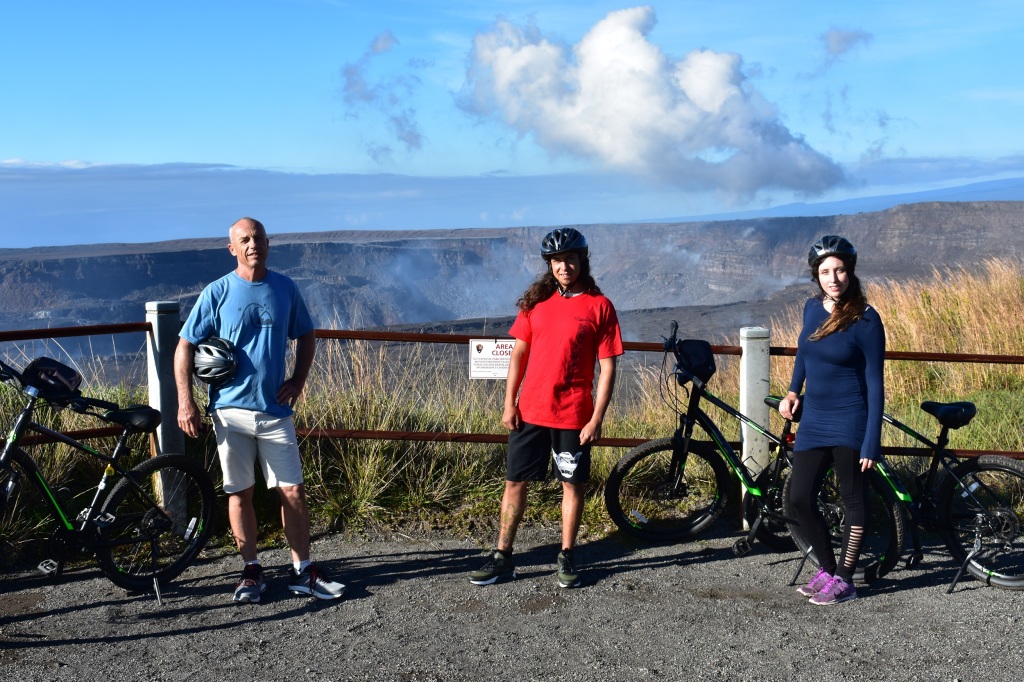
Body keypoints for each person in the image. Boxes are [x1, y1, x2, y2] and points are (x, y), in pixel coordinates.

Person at [174, 217, 346, 603]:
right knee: (240, 493)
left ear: (268, 243)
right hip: (229, 412)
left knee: (294, 491)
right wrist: (185, 401)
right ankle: (251, 571)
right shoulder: (217, 292)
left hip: (274, 411)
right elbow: (185, 345)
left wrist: (299, 380)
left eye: (259, 238)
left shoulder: (285, 288)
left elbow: (306, 334)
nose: (253, 245)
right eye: (244, 240)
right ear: (232, 248)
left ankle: (303, 570)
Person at [469, 227, 623, 588]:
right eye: (556, 261)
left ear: (582, 261)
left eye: (569, 259)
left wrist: (597, 418)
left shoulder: (600, 306)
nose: (563, 267)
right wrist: (509, 403)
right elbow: (519, 353)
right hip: (530, 412)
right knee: (514, 484)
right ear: (549, 266)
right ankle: (503, 556)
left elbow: (609, 366)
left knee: (573, 486)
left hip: (573, 415)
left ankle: (567, 554)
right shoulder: (535, 303)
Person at [778, 235, 885, 605]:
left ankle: (846, 578)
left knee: (853, 500)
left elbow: (875, 383)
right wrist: (793, 392)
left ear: (850, 271)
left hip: (851, 419)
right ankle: (826, 568)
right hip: (816, 418)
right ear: (816, 275)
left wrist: (872, 440)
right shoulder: (812, 308)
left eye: (839, 269)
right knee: (799, 498)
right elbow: (803, 353)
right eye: (825, 271)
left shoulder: (866, 320)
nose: (833, 277)